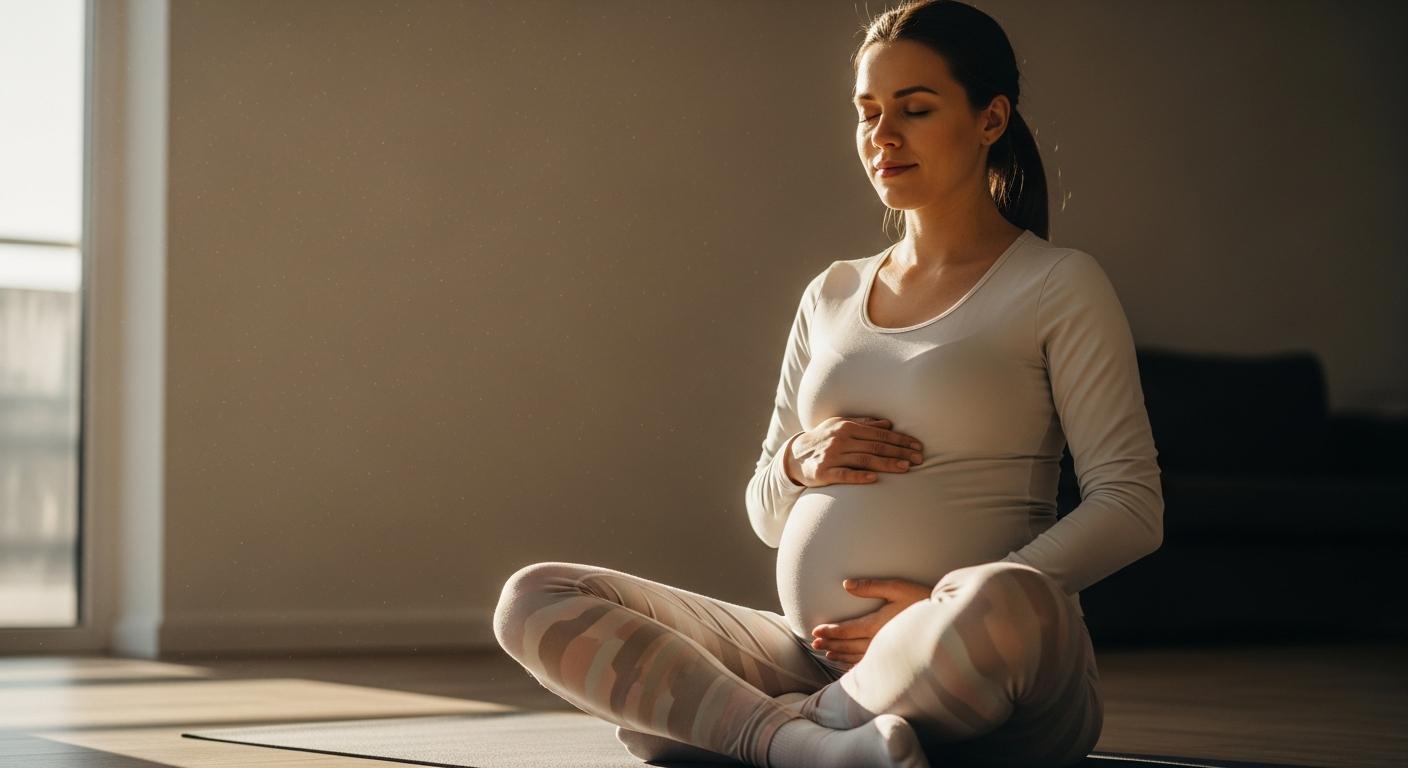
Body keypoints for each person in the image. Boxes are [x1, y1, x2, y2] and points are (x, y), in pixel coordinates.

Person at [492, 2, 1164, 766]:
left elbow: (1131, 507)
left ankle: (741, 729)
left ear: (991, 119)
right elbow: (767, 516)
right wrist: (795, 464)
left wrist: (945, 603)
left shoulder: (1057, 284)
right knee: (536, 596)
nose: (882, 136)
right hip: (812, 653)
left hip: (987, 656)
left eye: (914, 109)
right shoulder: (833, 292)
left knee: (1007, 601)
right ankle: (803, 740)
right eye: (867, 112)